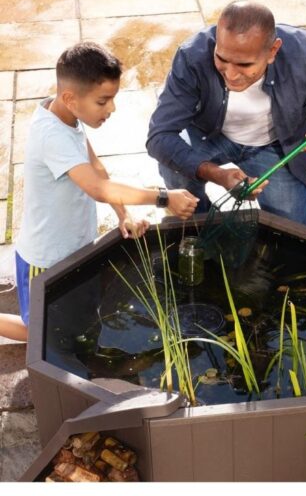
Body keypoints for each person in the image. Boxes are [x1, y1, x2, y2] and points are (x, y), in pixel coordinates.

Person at [0, 43, 198, 343]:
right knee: (40, 334)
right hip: (46, 258)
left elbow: (98, 170)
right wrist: (163, 197)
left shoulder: (64, 114)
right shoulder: (52, 136)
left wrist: (124, 213)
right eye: (103, 101)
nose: (112, 109)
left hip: (73, 247)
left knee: (71, 323)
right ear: (70, 98)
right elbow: (98, 188)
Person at [146, 0, 306, 227]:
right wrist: (217, 174)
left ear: (273, 51)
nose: (231, 74)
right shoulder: (193, 55)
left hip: (276, 146)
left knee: (294, 232)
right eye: (222, 59)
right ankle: (199, 223)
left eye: (244, 64)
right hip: (209, 137)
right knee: (175, 165)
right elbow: (159, 136)